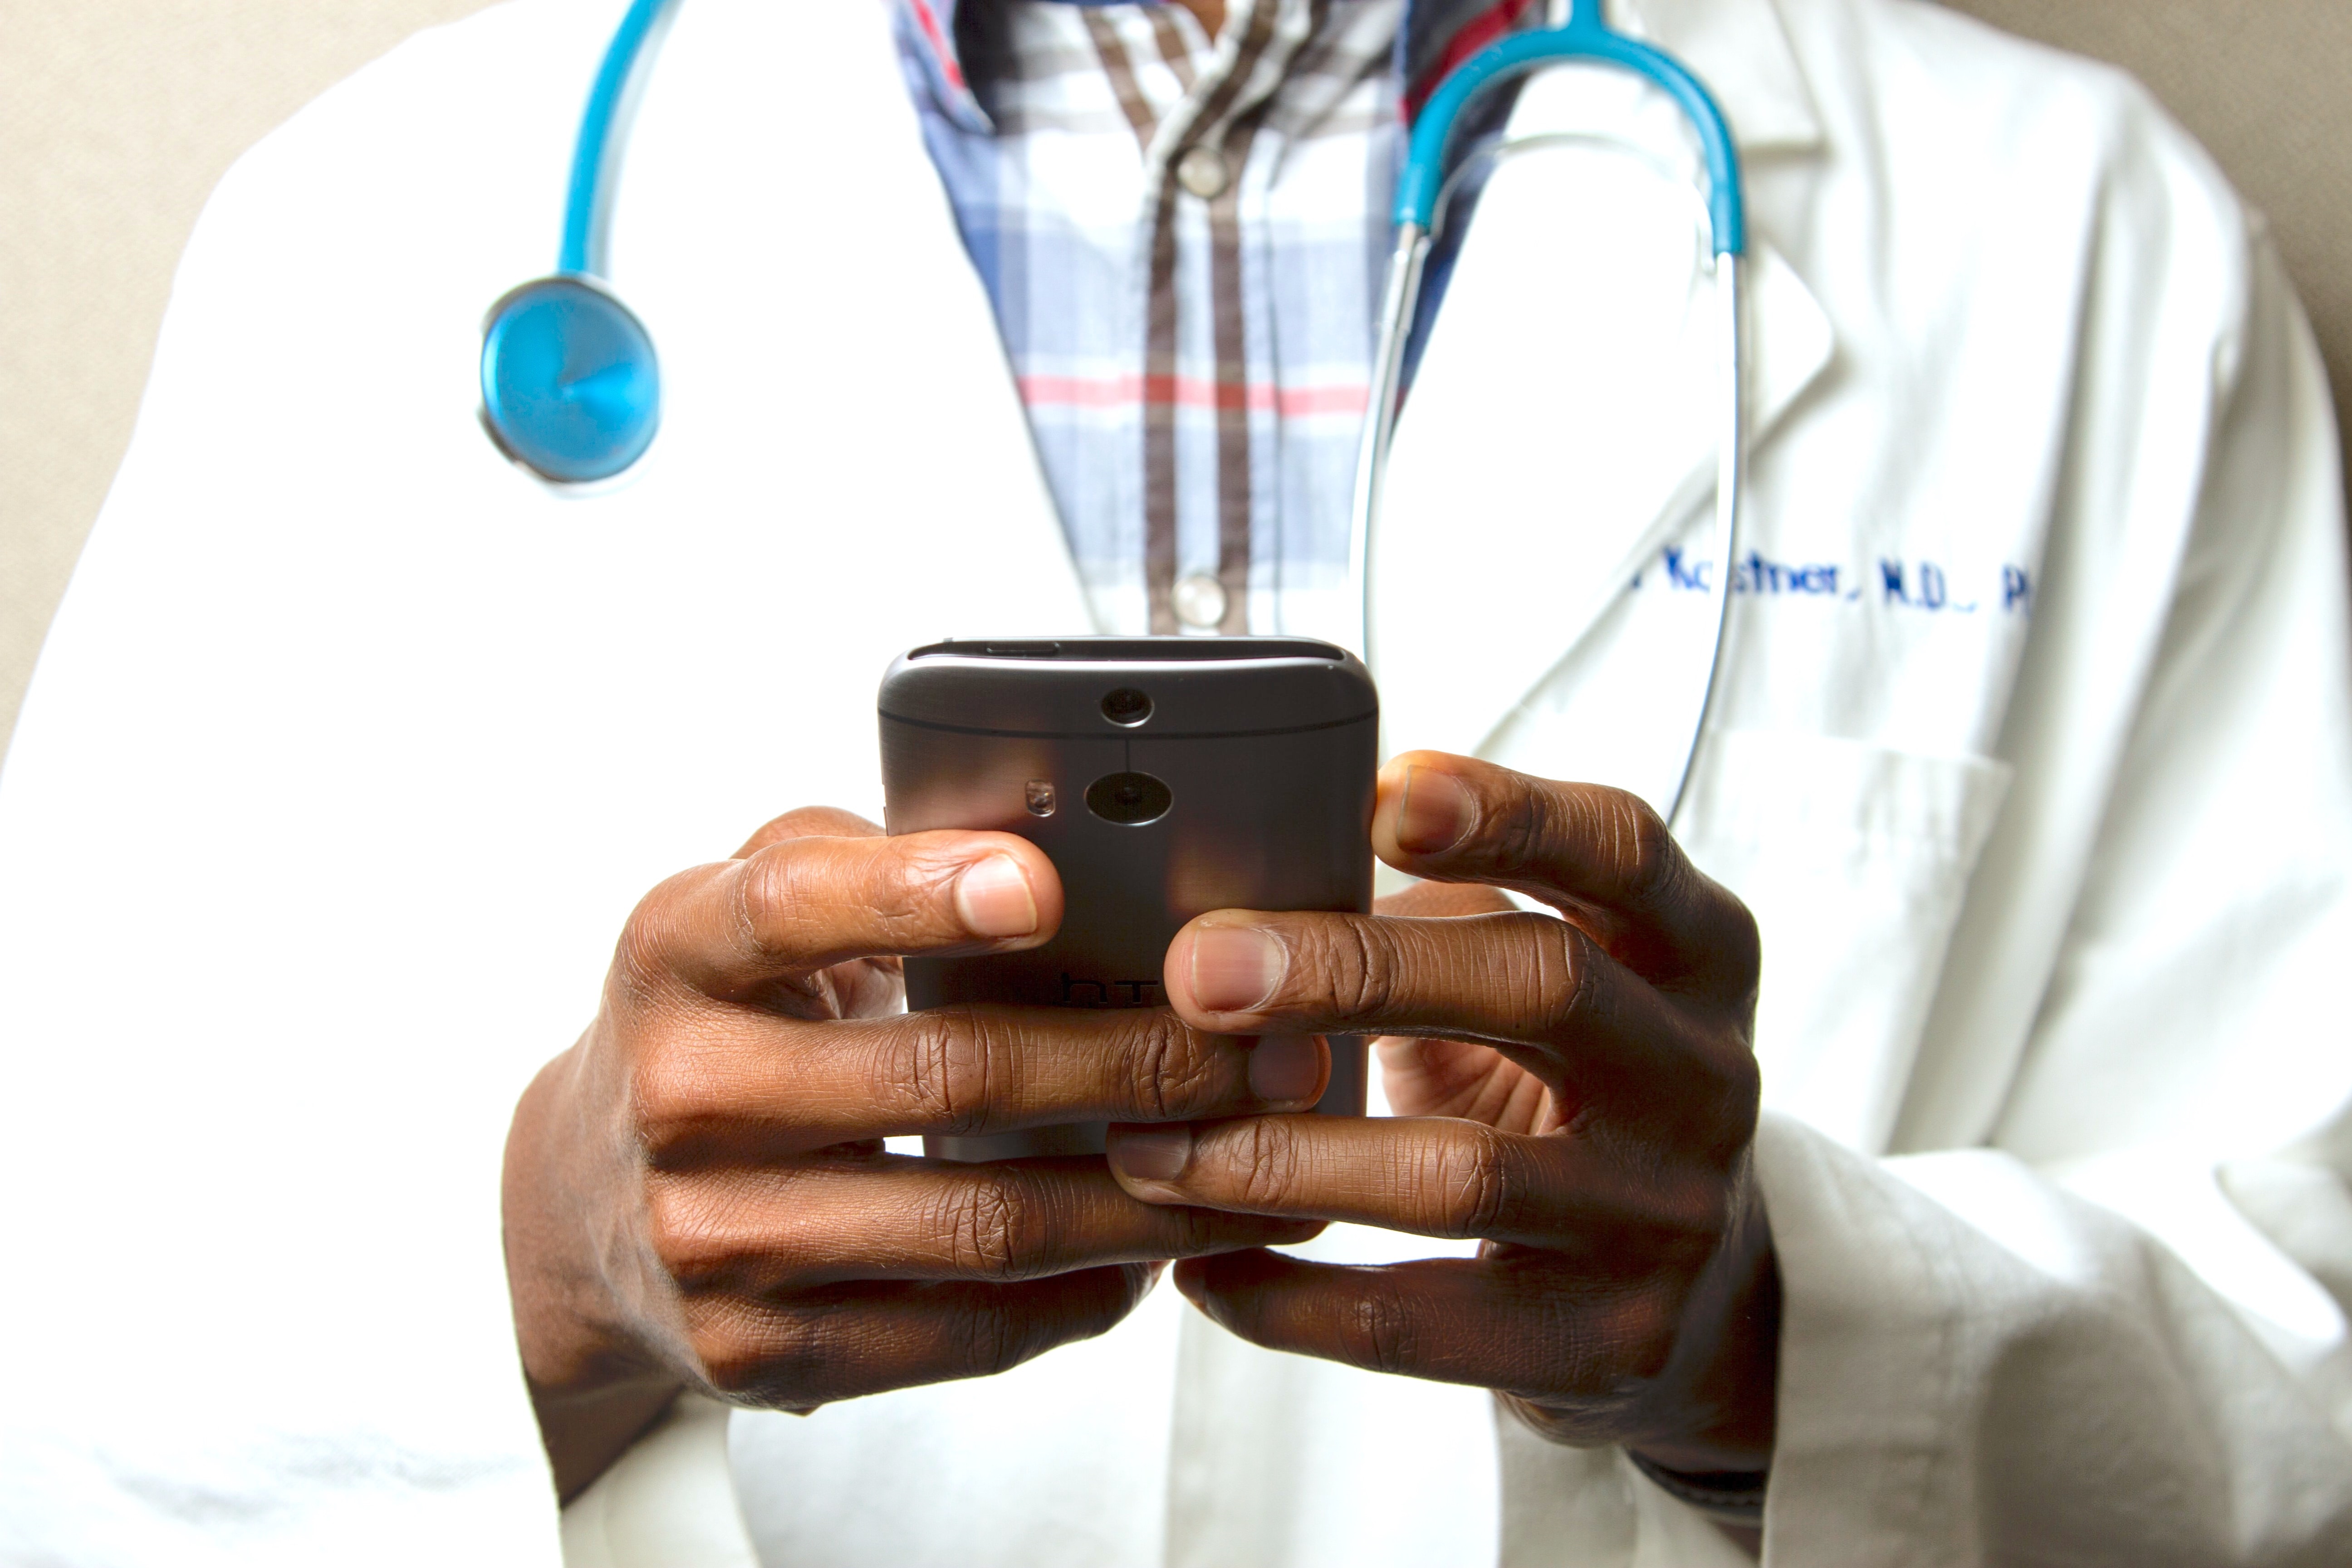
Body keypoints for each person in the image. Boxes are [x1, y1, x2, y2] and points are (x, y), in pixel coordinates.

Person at [1, 0, 2348, 1563]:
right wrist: (555, 1259)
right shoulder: (368, 229)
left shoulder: (2090, 249)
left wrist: (1780, 1328)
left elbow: (2312, 1329)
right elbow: (59, 1328)